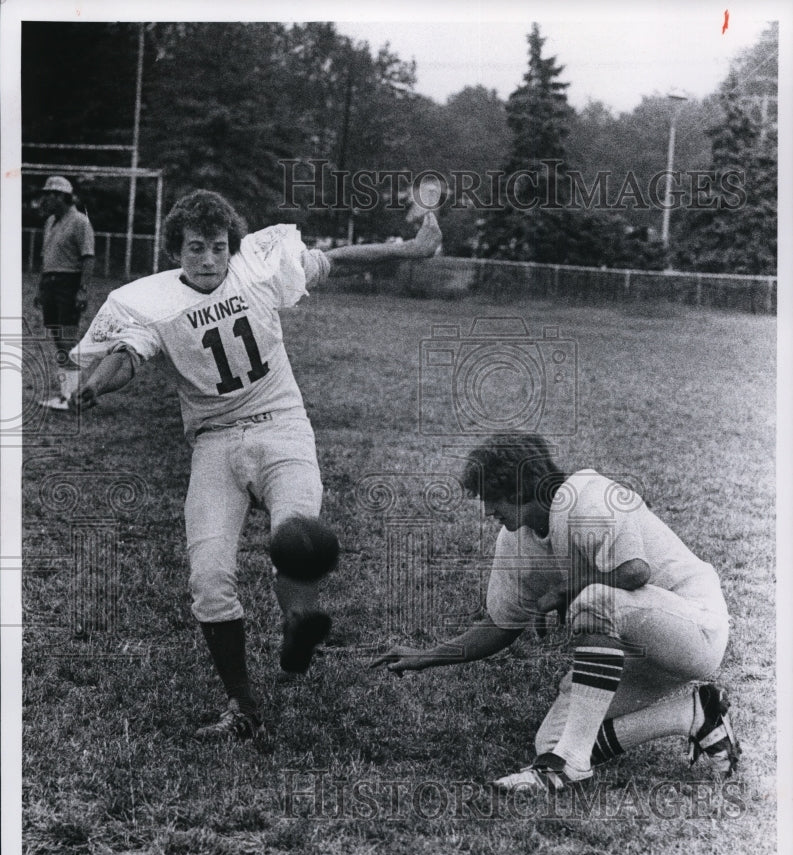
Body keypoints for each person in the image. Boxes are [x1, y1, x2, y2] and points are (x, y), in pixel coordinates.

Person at [68, 188, 442, 740]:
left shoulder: (258, 270)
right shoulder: (150, 303)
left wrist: (410, 249)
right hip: (215, 441)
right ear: (176, 251)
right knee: (210, 576)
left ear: (230, 247)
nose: (208, 260)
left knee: (298, 536)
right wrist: (96, 384)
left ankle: (297, 625)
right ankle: (243, 706)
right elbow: (127, 356)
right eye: (195, 248)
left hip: (281, 423)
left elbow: (337, 259)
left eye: (218, 247)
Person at [372, 433, 740, 792]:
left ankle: (571, 765)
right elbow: (501, 625)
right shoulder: (516, 538)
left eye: (493, 498)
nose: (488, 511)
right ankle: (694, 713)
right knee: (550, 743)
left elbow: (634, 571)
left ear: (520, 488)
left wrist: (566, 589)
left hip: (696, 629)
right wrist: (425, 657)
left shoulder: (588, 496)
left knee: (595, 598)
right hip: (637, 650)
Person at [34, 175, 95, 410]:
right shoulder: (50, 221)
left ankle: (72, 397)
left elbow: (88, 257)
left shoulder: (80, 221)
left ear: (63, 196)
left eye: (51, 194)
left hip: (68, 283)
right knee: (58, 338)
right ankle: (65, 394)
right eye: (46, 193)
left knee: (67, 338)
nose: (47, 198)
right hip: (51, 282)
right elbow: (45, 257)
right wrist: (41, 287)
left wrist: (82, 290)